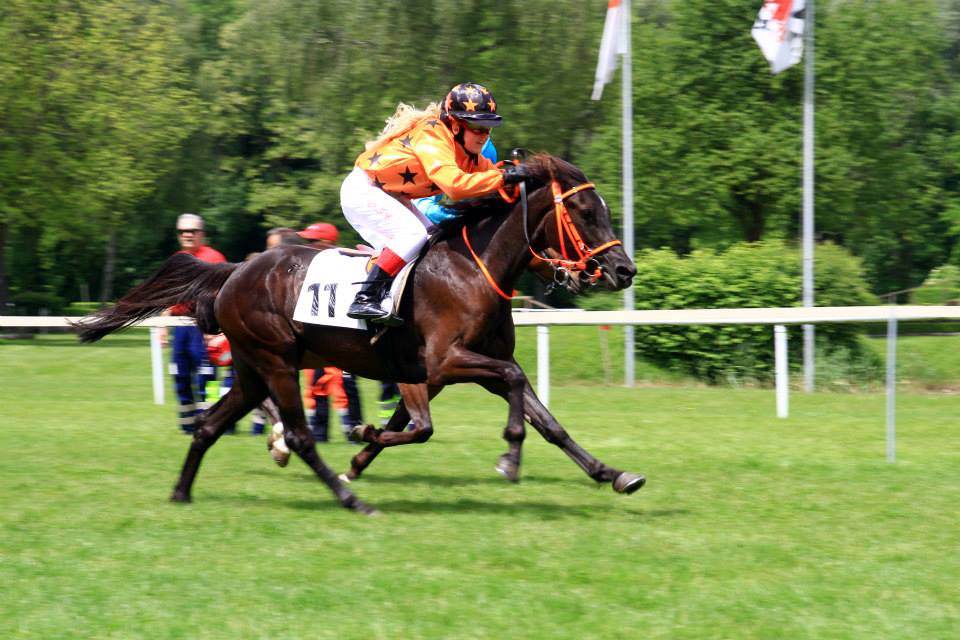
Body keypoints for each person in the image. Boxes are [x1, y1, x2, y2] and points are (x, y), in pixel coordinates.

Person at [341, 82, 531, 324]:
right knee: (413, 235)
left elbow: (492, 177)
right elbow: (455, 186)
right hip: (363, 190)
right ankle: (365, 298)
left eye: (488, 128)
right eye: (477, 127)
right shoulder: (432, 134)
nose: (484, 135)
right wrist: (505, 178)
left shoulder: (467, 152)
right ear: (454, 124)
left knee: (433, 240)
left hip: (391, 195)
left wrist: (522, 177)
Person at [157, 213, 227, 434]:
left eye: (192, 231)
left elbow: (224, 295)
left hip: (204, 326)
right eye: (182, 231)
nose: (187, 235)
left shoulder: (214, 258)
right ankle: (188, 426)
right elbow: (169, 295)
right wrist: (162, 325)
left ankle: (212, 422)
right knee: (180, 375)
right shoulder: (177, 259)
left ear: (201, 234)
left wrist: (216, 328)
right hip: (181, 327)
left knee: (208, 377)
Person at [296, 221, 365, 442]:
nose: (307, 245)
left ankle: (353, 431)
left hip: (342, 335)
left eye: (311, 240)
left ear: (326, 242)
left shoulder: (344, 263)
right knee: (315, 385)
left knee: (343, 383)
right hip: (315, 335)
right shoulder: (308, 267)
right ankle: (318, 434)